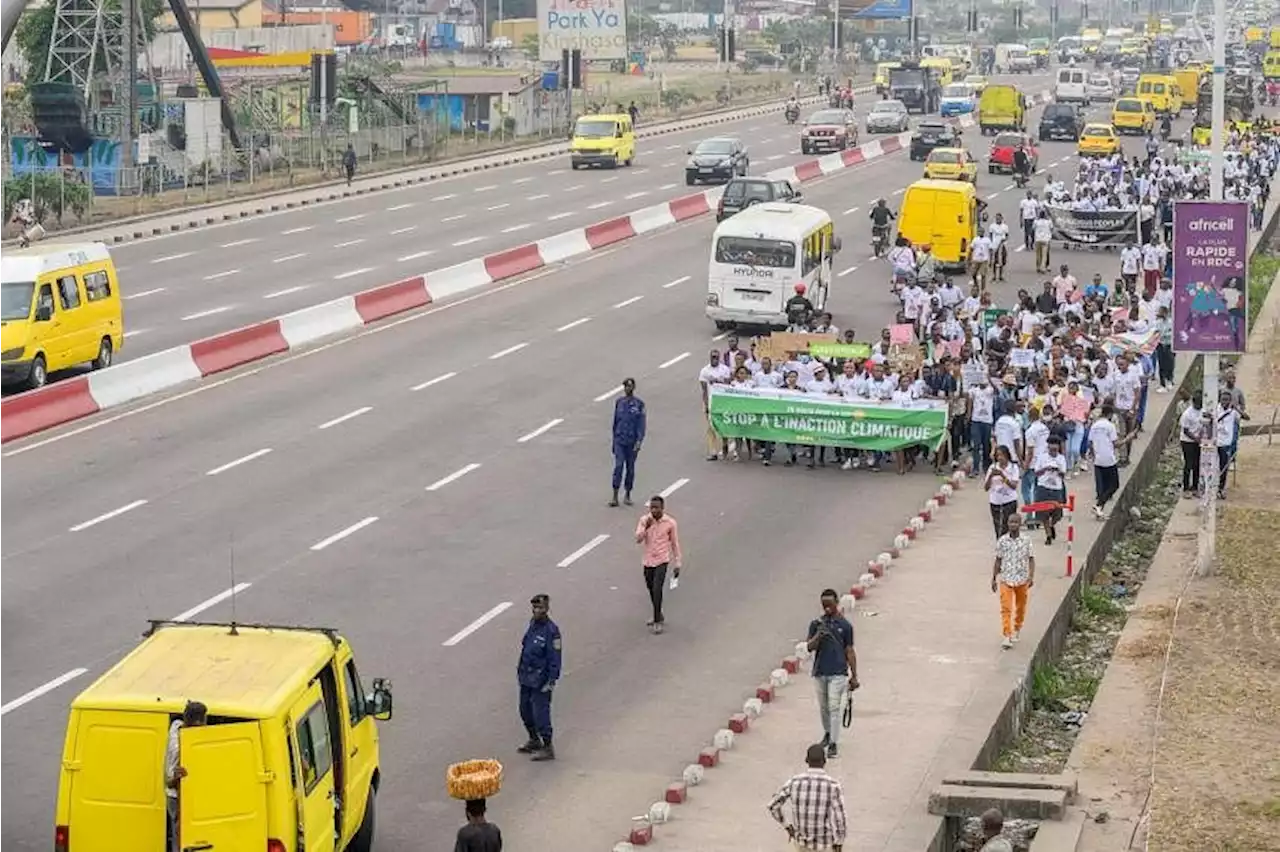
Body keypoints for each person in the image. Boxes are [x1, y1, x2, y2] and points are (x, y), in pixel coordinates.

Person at [806, 589, 858, 759]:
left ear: (836, 604)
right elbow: (809, 647)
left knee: (834, 708)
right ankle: (827, 733)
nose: (827, 608)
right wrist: (818, 636)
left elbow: (849, 650)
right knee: (824, 707)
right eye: (824, 605)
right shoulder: (816, 624)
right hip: (820, 671)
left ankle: (834, 743)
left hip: (838, 673)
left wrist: (854, 675)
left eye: (830, 605)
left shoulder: (845, 626)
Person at [767, 743, 849, 851]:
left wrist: (787, 826)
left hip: (802, 843)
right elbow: (840, 819)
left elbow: (773, 805)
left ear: (806, 760)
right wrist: (839, 842)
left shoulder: (794, 782)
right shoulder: (833, 786)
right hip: (824, 845)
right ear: (824, 761)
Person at [516, 594, 561, 761]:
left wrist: (551, 680)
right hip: (526, 677)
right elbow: (526, 647)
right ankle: (534, 739)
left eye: (541, 608)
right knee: (524, 710)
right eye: (535, 608)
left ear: (547, 609)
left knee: (540, 714)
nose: (537, 611)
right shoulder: (532, 625)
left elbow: (555, 657)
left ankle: (548, 746)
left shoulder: (552, 631)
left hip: (541, 680)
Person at [635, 495, 682, 634]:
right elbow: (638, 539)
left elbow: (674, 543)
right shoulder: (644, 520)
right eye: (651, 508)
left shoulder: (670, 523)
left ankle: (657, 620)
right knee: (650, 587)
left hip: (662, 560)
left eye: (656, 508)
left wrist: (678, 562)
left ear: (662, 508)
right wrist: (646, 528)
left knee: (657, 589)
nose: (654, 511)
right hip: (648, 560)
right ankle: (658, 612)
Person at [165, 700, 208, 852]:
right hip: (177, 797)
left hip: (188, 792)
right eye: (203, 721)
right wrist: (178, 777)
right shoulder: (177, 747)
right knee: (181, 834)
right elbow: (168, 781)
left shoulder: (176, 725)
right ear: (196, 723)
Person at [992, 512, 1034, 649]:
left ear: (1020, 524)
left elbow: (1031, 559)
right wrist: (993, 578)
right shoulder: (1002, 541)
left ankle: (1017, 627)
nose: (1013, 525)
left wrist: (1031, 576)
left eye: (1015, 522)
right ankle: (1007, 635)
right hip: (1006, 579)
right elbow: (998, 560)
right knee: (1006, 607)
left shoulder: (1026, 541)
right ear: (1007, 524)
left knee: (1021, 607)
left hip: (1022, 579)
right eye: (1010, 522)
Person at [610, 378, 646, 507]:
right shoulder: (619, 402)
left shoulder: (639, 404)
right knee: (618, 466)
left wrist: (639, 441)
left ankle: (627, 494)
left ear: (634, 388)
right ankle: (614, 495)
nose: (627, 389)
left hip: (632, 442)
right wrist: (614, 441)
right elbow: (615, 423)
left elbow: (641, 424)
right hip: (620, 439)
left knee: (630, 468)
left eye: (630, 386)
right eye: (625, 386)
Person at [985, 444, 1021, 539]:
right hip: (995, 501)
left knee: (1007, 526)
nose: (1000, 458)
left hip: (1009, 500)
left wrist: (1002, 475)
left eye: (1002, 455)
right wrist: (990, 476)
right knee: (998, 527)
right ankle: (1000, 546)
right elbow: (986, 488)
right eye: (998, 456)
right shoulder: (992, 467)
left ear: (1007, 455)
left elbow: (1013, 486)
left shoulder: (1013, 467)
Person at [1179, 390, 1203, 498]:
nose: (1199, 405)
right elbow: (1186, 430)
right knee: (1188, 464)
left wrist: (1201, 436)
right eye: (1198, 403)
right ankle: (1186, 488)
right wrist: (1195, 438)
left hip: (1198, 440)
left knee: (1197, 464)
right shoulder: (1187, 414)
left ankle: (1195, 487)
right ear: (1193, 402)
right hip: (1187, 441)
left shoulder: (1202, 411)